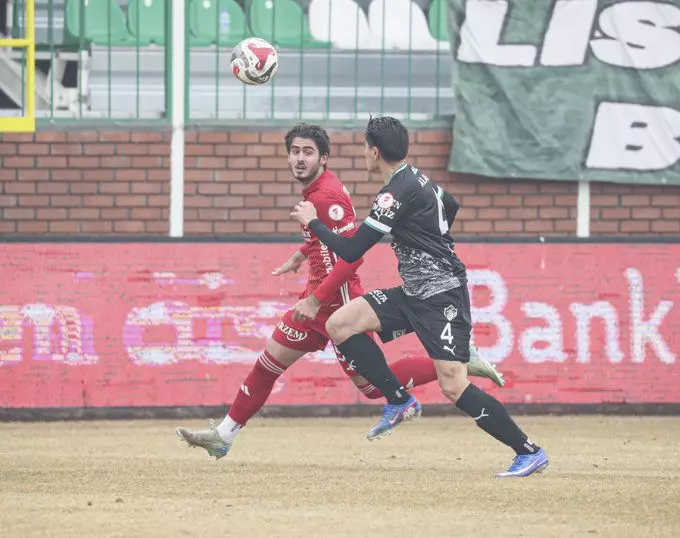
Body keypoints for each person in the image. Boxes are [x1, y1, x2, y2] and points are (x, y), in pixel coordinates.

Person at [176, 123, 504, 461]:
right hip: (314, 298)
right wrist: (303, 253)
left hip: (335, 300)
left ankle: (458, 361)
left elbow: (351, 256)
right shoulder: (317, 191)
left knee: (373, 387)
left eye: (308, 152)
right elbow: (330, 239)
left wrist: (317, 299)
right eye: (294, 151)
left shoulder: (328, 197)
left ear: (324, 158)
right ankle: (224, 435)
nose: (300, 158)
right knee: (267, 364)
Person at [290, 116, 549, 478]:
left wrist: (313, 222)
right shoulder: (416, 178)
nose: (364, 153)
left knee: (453, 386)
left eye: (365, 147)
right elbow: (450, 204)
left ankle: (528, 451)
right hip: (413, 291)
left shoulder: (393, 193)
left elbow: (351, 251)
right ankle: (399, 400)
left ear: (374, 151)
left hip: (442, 296)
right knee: (341, 324)